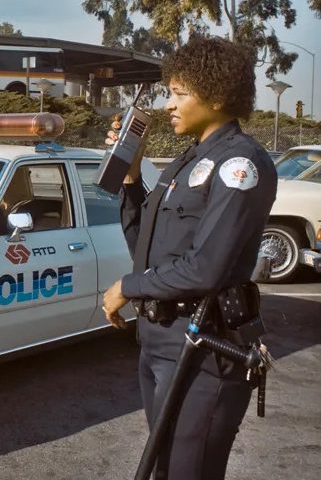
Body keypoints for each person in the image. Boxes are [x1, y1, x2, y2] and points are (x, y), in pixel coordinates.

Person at [101, 36, 277, 480]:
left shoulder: (240, 164)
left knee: (189, 472)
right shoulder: (188, 161)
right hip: (161, 341)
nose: (168, 105)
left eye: (180, 93)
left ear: (216, 95)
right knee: (165, 468)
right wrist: (131, 175)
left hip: (205, 349)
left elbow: (207, 267)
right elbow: (147, 246)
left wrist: (127, 287)